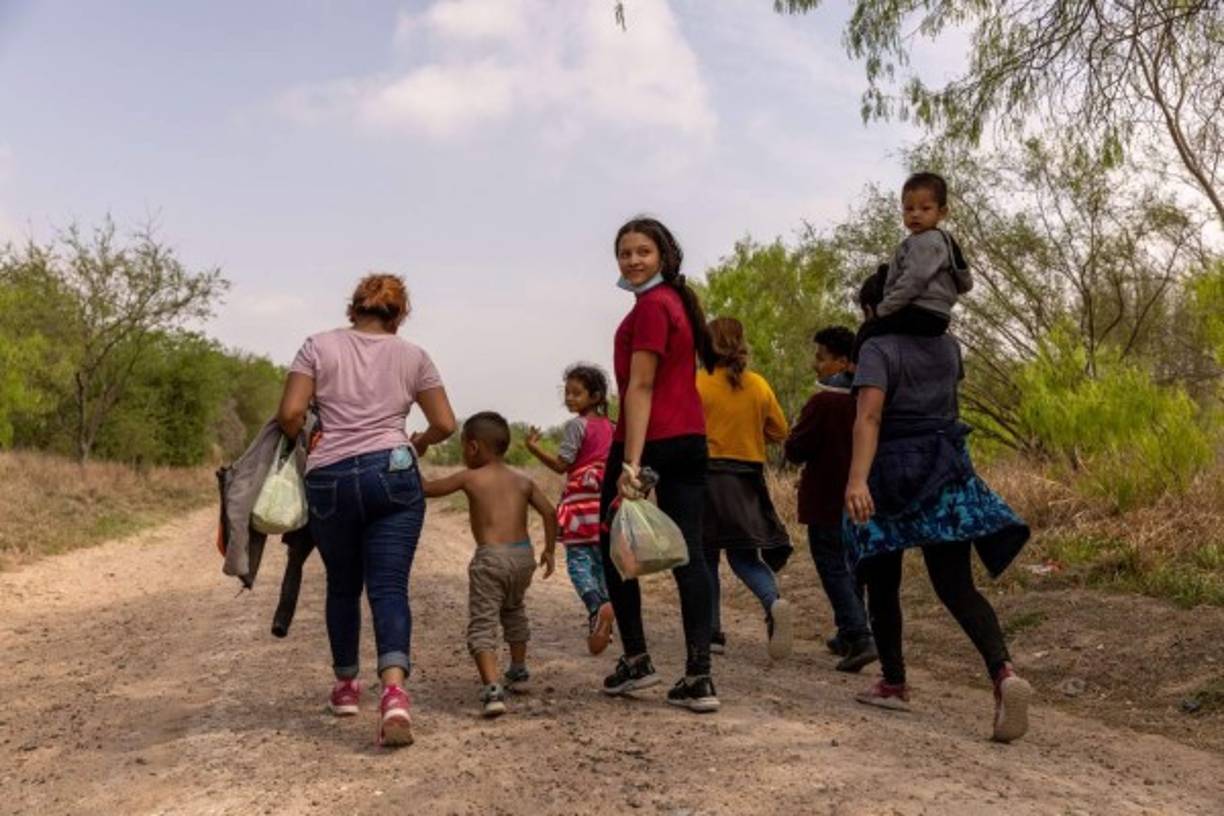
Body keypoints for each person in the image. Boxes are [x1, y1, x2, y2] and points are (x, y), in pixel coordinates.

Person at [844, 270, 1034, 743]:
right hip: (944, 468)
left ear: (876, 308)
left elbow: (869, 415)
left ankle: (893, 680)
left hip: (890, 472)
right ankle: (1003, 672)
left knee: (881, 579)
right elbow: (948, 404)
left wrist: (857, 480)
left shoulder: (876, 348)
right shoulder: (948, 347)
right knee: (955, 586)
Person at [277, 272, 456, 747]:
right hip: (394, 470)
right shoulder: (414, 355)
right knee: (389, 587)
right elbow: (444, 422)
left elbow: (290, 414)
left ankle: (346, 687)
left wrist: (311, 442)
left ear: (353, 308)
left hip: (330, 475)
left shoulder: (317, 346)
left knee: (342, 585)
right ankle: (394, 694)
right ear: (398, 317)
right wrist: (416, 441)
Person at [599, 216, 720, 713]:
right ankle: (698, 676)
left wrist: (632, 462)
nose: (632, 260)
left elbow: (641, 387)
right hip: (691, 438)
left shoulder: (652, 307)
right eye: (625, 252)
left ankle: (637, 658)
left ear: (665, 255)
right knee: (688, 552)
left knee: (613, 542)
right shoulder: (676, 303)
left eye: (642, 251)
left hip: (650, 441)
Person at [423, 412, 558, 718]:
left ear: (473, 447)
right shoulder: (523, 480)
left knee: (483, 620)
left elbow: (427, 489)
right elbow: (550, 513)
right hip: (524, 558)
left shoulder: (470, 477)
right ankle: (519, 672)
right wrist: (549, 550)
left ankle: (493, 689)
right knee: (514, 610)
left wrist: (410, 456)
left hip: (492, 558)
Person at [696, 316, 794, 661]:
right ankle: (773, 602)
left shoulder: (698, 382)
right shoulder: (758, 385)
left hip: (707, 478)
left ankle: (711, 634)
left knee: (706, 557)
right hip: (747, 479)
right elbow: (780, 431)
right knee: (744, 557)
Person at [784, 324, 878, 672]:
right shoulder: (869, 400)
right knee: (854, 568)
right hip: (863, 499)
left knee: (832, 566)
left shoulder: (823, 402)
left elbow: (796, 449)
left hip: (826, 498)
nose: (815, 365)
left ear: (841, 362)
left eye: (821, 358)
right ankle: (846, 632)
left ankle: (859, 634)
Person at [525, 364, 616, 654]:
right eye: (567, 393)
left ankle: (596, 607)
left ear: (596, 395)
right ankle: (604, 616)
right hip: (606, 504)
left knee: (578, 563)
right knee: (602, 564)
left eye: (576, 393)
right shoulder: (613, 427)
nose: (570, 399)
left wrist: (534, 448)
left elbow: (562, 465)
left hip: (580, 505)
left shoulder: (577, 426)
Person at [854, 172, 972, 358]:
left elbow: (913, 281)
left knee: (868, 331)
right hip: (937, 315)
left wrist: (884, 309)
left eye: (925, 209)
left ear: (941, 212)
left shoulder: (926, 242)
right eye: (909, 209)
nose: (916, 214)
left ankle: (851, 376)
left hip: (922, 312)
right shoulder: (942, 242)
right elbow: (965, 282)